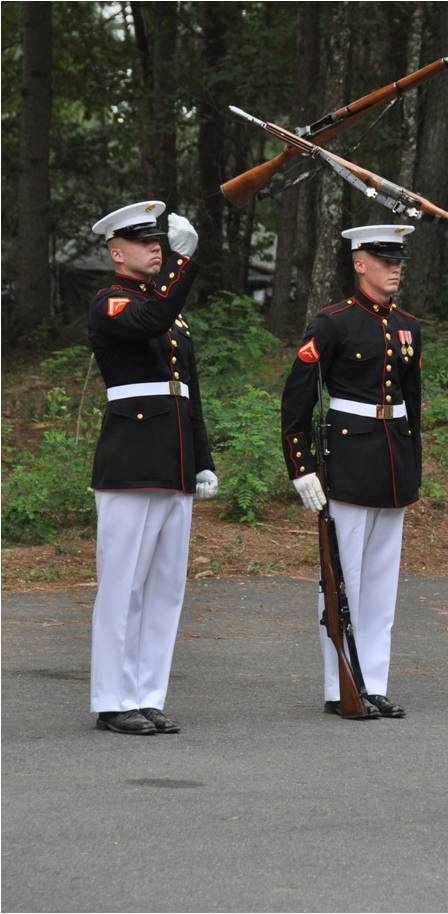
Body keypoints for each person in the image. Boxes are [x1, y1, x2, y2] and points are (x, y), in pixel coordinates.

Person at [281, 225, 422, 719]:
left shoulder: (407, 325)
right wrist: (301, 466)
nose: (395, 267)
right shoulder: (333, 323)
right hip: (348, 461)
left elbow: (413, 404)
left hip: (392, 463)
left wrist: (412, 468)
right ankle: (341, 683)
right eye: (384, 259)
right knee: (343, 582)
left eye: (398, 259)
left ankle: (374, 683)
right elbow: (297, 398)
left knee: (382, 584)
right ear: (360, 263)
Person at [88, 200, 218, 735]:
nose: (155, 247)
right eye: (144, 242)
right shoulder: (110, 303)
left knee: (166, 586)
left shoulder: (172, 314)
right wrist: (184, 264)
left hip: (175, 459)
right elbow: (151, 317)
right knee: (123, 586)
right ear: (117, 253)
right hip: (131, 460)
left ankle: (146, 692)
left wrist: (203, 460)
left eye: (158, 241)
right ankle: (112, 700)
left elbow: (189, 393)